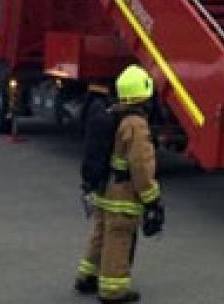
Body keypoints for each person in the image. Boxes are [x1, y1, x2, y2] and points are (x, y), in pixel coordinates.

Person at [74, 65, 164, 304]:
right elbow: (141, 165)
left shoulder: (113, 112)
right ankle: (113, 290)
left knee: (101, 232)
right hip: (123, 192)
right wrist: (151, 197)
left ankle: (87, 276)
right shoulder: (136, 124)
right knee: (119, 237)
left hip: (106, 185)